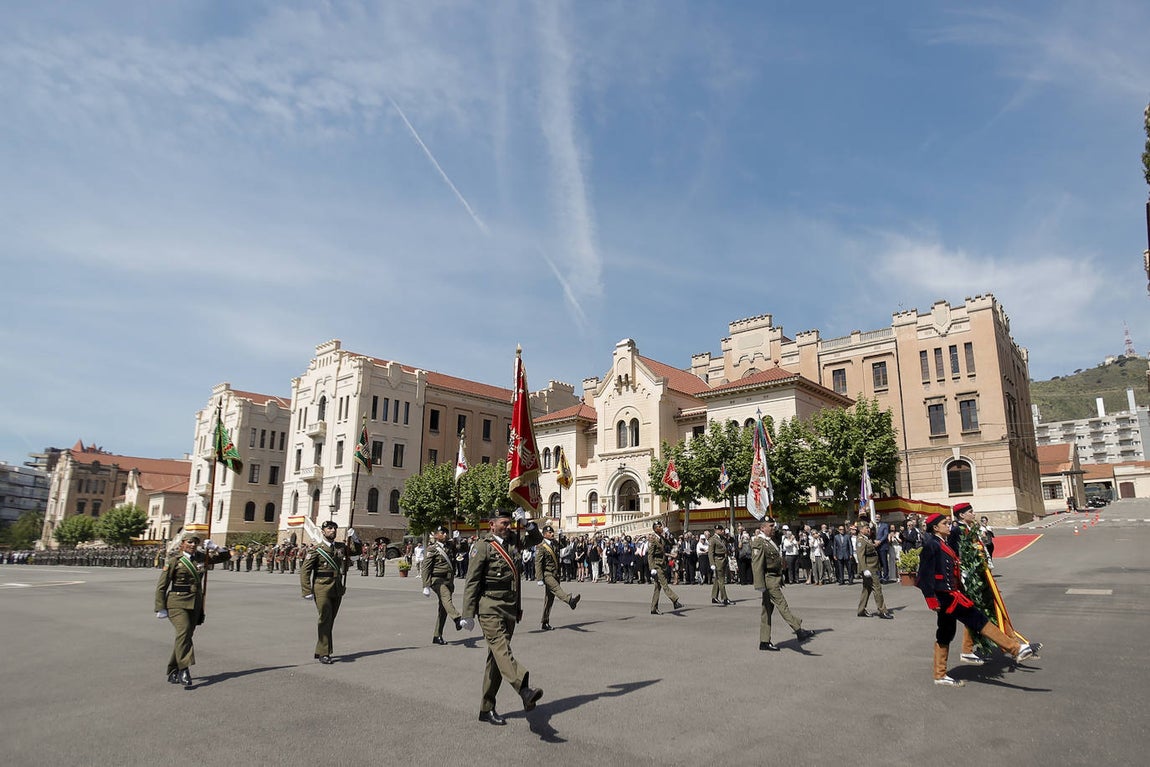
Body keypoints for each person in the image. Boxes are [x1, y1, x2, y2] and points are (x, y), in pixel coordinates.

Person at [917, 513, 1034, 687]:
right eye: (944, 523)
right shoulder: (931, 545)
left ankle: (939, 674)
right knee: (976, 618)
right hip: (945, 595)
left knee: (946, 632)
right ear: (935, 527)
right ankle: (1015, 648)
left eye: (948, 523)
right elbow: (923, 576)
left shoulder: (942, 543)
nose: (948, 526)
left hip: (952, 592)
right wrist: (931, 599)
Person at [461, 509, 544, 726]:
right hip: (489, 606)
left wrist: (526, 523)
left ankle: (486, 708)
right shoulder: (482, 546)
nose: (507, 527)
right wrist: (468, 614)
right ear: (492, 524)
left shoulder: (513, 542)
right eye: (504, 523)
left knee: (496, 659)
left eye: (509, 523)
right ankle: (523, 689)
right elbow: (472, 581)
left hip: (509, 607)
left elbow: (537, 539)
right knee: (502, 650)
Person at [154, 534, 230, 687]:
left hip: (195, 602)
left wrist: (215, 548)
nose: (193, 545)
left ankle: (172, 670)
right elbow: (162, 585)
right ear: (182, 544)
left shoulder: (202, 557)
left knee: (186, 636)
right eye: (190, 542)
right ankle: (184, 669)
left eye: (196, 543)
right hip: (177, 602)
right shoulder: (175, 561)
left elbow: (225, 557)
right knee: (184, 631)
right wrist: (160, 607)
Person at [300, 520, 362, 664]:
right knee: (325, 619)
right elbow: (305, 570)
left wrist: (355, 538)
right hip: (321, 588)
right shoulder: (316, 549)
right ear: (323, 531)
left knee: (330, 620)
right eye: (329, 528)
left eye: (334, 528)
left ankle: (320, 649)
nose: (332, 531)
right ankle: (324, 653)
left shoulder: (340, 547)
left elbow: (356, 553)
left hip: (337, 587)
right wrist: (306, 590)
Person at [751, 519, 813, 651]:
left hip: (775, 578)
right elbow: (757, 564)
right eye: (771, 526)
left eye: (774, 526)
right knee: (782, 605)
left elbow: (779, 533)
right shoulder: (759, 542)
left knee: (766, 611)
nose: (773, 528)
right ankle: (799, 630)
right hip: (769, 580)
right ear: (762, 528)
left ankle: (764, 641)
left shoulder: (770, 540)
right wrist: (759, 584)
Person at [421, 526, 462, 645]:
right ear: (436, 535)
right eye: (442, 532)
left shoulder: (450, 546)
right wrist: (426, 585)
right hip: (437, 580)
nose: (445, 534)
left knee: (443, 609)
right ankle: (457, 619)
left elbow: (461, 549)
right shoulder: (432, 548)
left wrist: (459, 540)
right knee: (446, 598)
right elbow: (426, 567)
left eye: (446, 533)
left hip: (448, 580)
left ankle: (437, 635)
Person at [536, 525, 581, 630]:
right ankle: (570, 601)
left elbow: (563, 545)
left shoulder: (554, 543)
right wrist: (539, 578)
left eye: (552, 532)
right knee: (557, 589)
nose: (552, 534)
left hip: (556, 573)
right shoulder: (541, 546)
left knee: (549, 599)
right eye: (549, 532)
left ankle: (545, 622)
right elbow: (538, 563)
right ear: (544, 534)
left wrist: (562, 536)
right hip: (547, 574)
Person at [855, 522, 893, 619]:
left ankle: (861, 610)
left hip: (872, 567)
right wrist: (864, 569)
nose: (868, 529)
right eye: (866, 528)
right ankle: (882, 611)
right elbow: (860, 556)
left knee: (866, 589)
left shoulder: (866, 539)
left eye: (868, 528)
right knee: (877, 589)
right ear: (861, 529)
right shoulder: (861, 540)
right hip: (869, 568)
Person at [648, 520, 683, 614]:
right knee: (664, 584)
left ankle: (653, 608)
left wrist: (669, 534)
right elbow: (650, 555)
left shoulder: (662, 538)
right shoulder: (653, 539)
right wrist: (652, 568)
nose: (662, 527)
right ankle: (675, 601)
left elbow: (671, 543)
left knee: (657, 587)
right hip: (656, 565)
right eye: (660, 526)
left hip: (662, 564)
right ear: (655, 529)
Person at [709, 524, 732, 605]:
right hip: (717, 560)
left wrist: (728, 534)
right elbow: (710, 553)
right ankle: (725, 598)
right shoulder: (713, 539)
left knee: (717, 580)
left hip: (724, 560)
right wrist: (712, 563)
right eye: (721, 530)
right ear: (716, 531)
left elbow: (732, 541)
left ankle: (714, 597)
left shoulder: (722, 538)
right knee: (721, 580)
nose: (722, 531)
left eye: (723, 530)